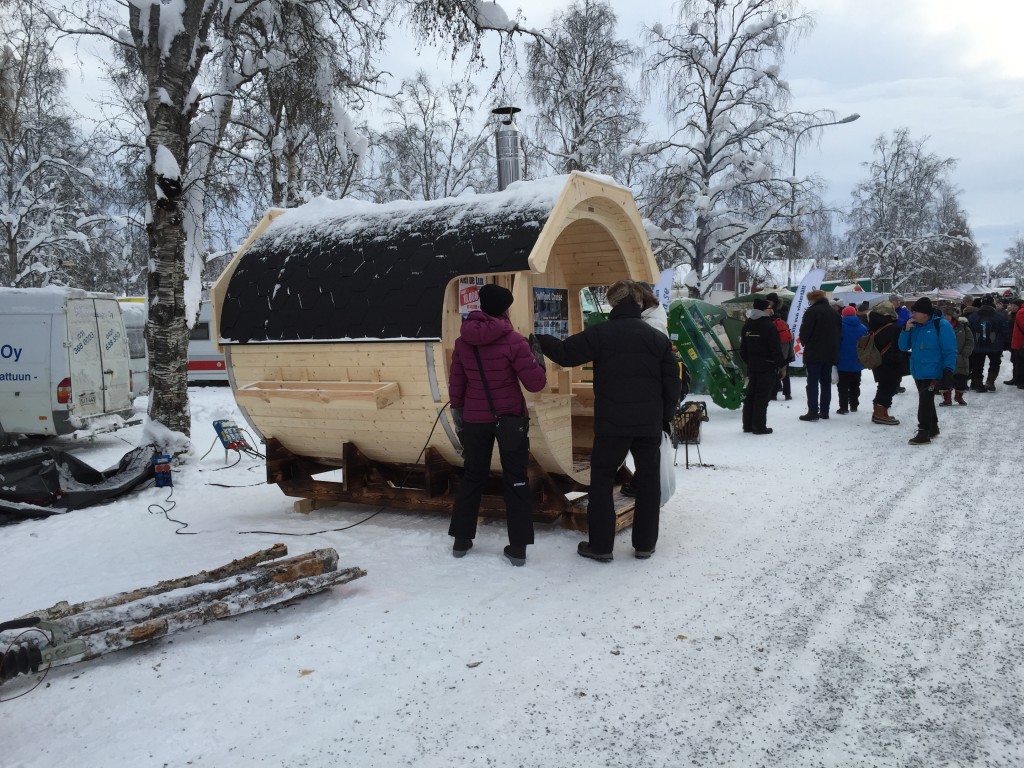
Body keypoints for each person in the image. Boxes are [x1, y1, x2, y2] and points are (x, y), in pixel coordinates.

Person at [537, 280, 681, 562]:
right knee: (649, 484)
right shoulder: (657, 339)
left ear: (612, 303)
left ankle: (601, 547)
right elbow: (672, 383)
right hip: (648, 424)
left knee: (601, 481)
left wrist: (539, 338)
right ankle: (644, 545)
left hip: (612, 424)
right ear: (639, 303)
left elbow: (566, 355)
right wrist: (664, 418)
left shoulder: (601, 333)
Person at [448, 283, 547, 566]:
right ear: (504, 308)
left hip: (475, 421)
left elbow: (458, 384)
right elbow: (535, 383)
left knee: (472, 477)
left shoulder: (462, 341)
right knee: (516, 479)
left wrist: (459, 416)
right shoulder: (514, 341)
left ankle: (461, 541)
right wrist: (537, 359)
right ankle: (518, 548)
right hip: (511, 420)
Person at [897, 296, 957, 445]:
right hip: (918, 370)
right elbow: (903, 347)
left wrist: (948, 370)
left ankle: (924, 431)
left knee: (924, 400)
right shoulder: (915, 326)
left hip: (933, 370)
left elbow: (950, 350)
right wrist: (905, 330)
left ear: (925, 313)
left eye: (916, 312)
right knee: (927, 400)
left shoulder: (941, 325)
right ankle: (933, 426)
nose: (913, 315)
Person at [739, 298, 783, 434]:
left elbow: (743, 350)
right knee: (762, 397)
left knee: (750, 395)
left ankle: (747, 425)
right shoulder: (769, 326)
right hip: (767, 366)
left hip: (752, 366)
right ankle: (759, 426)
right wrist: (779, 364)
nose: (772, 311)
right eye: (770, 308)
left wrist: (750, 361)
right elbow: (775, 348)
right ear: (764, 309)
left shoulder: (747, 324)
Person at [798, 289, 841, 421]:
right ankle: (824, 411)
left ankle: (812, 411)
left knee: (812, 382)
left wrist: (805, 341)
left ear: (812, 299)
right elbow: (839, 333)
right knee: (826, 382)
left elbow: (805, 332)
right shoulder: (834, 312)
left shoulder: (812, 311)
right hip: (830, 352)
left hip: (814, 352)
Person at [867, 300, 905, 425]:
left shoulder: (874, 325)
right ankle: (880, 413)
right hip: (890, 363)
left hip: (878, 361)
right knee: (888, 387)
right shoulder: (892, 328)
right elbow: (898, 346)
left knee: (884, 386)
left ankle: (879, 410)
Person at [967, 295, 1011, 392]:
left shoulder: (973, 316)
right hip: (995, 345)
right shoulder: (999, 316)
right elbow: (1005, 331)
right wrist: (1007, 343)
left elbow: (969, 331)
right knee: (995, 364)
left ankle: (978, 384)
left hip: (978, 345)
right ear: (992, 303)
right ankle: (990, 382)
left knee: (978, 365)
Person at [938, 305, 974, 406]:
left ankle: (959, 397)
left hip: (960, 357)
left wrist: (965, 353)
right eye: (944, 315)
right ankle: (947, 399)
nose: (946, 317)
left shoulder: (962, 326)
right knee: (945, 379)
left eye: (948, 315)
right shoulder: (939, 327)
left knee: (961, 379)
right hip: (945, 357)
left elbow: (970, 340)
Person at [836, 305, 867, 414]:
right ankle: (854, 405)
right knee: (855, 384)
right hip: (857, 361)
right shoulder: (863, 327)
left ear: (843, 315)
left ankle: (843, 407)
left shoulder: (839, 326)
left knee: (842, 385)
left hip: (842, 361)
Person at [766, 292, 794, 400]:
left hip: (779, 343)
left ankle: (774, 394)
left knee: (776, 368)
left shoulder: (778, 312)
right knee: (784, 368)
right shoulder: (783, 311)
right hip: (786, 343)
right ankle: (786, 393)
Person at [1005, 296, 1024, 388]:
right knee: (1015, 361)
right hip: (1014, 342)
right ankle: (1016, 378)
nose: (1012, 307)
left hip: (1020, 342)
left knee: (1019, 362)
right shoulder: (1012, 315)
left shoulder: (1020, 314)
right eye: (1012, 305)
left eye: (1015, 306)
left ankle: (1019, 380)